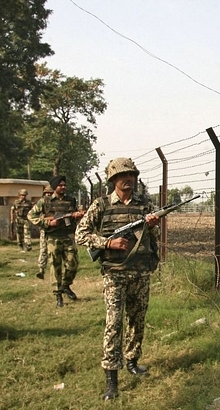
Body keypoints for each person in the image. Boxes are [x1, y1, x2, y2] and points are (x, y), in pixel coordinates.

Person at [75, 158, 160, 401]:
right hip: (114, 273)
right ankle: (111, 377)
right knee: (114, 323)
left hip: (141, 272)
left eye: (132, 175)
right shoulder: (101, 205)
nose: (128, 180)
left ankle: (132, 360)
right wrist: (108, 242)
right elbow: (80, 233)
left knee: (137, 319)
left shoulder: (144, 204)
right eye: (123, 176)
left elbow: (151, 234)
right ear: (112, 180)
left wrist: (152, 225)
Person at [28, 176, 85, 307]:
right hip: (53, 238)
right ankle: (58, 293)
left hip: (68, 236)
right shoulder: (45, 201)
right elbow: (31, 215)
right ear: (55, 187)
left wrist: (77, 215)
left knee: (73, 264)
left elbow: (73, 217)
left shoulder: (71, 201)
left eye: (64, 185)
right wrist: (47, 223)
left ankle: (65, 285)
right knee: (55, 266)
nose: (63, 187)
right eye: (60, 185)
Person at [35, 185, 55, 279]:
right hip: (45, 229)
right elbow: (35, 216)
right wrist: (46, 220)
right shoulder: (42, 203)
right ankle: (41, 270)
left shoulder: (58, 202)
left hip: (56, 231)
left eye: (50, 193)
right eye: (47, 193)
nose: (48, 195)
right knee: (43, 249)